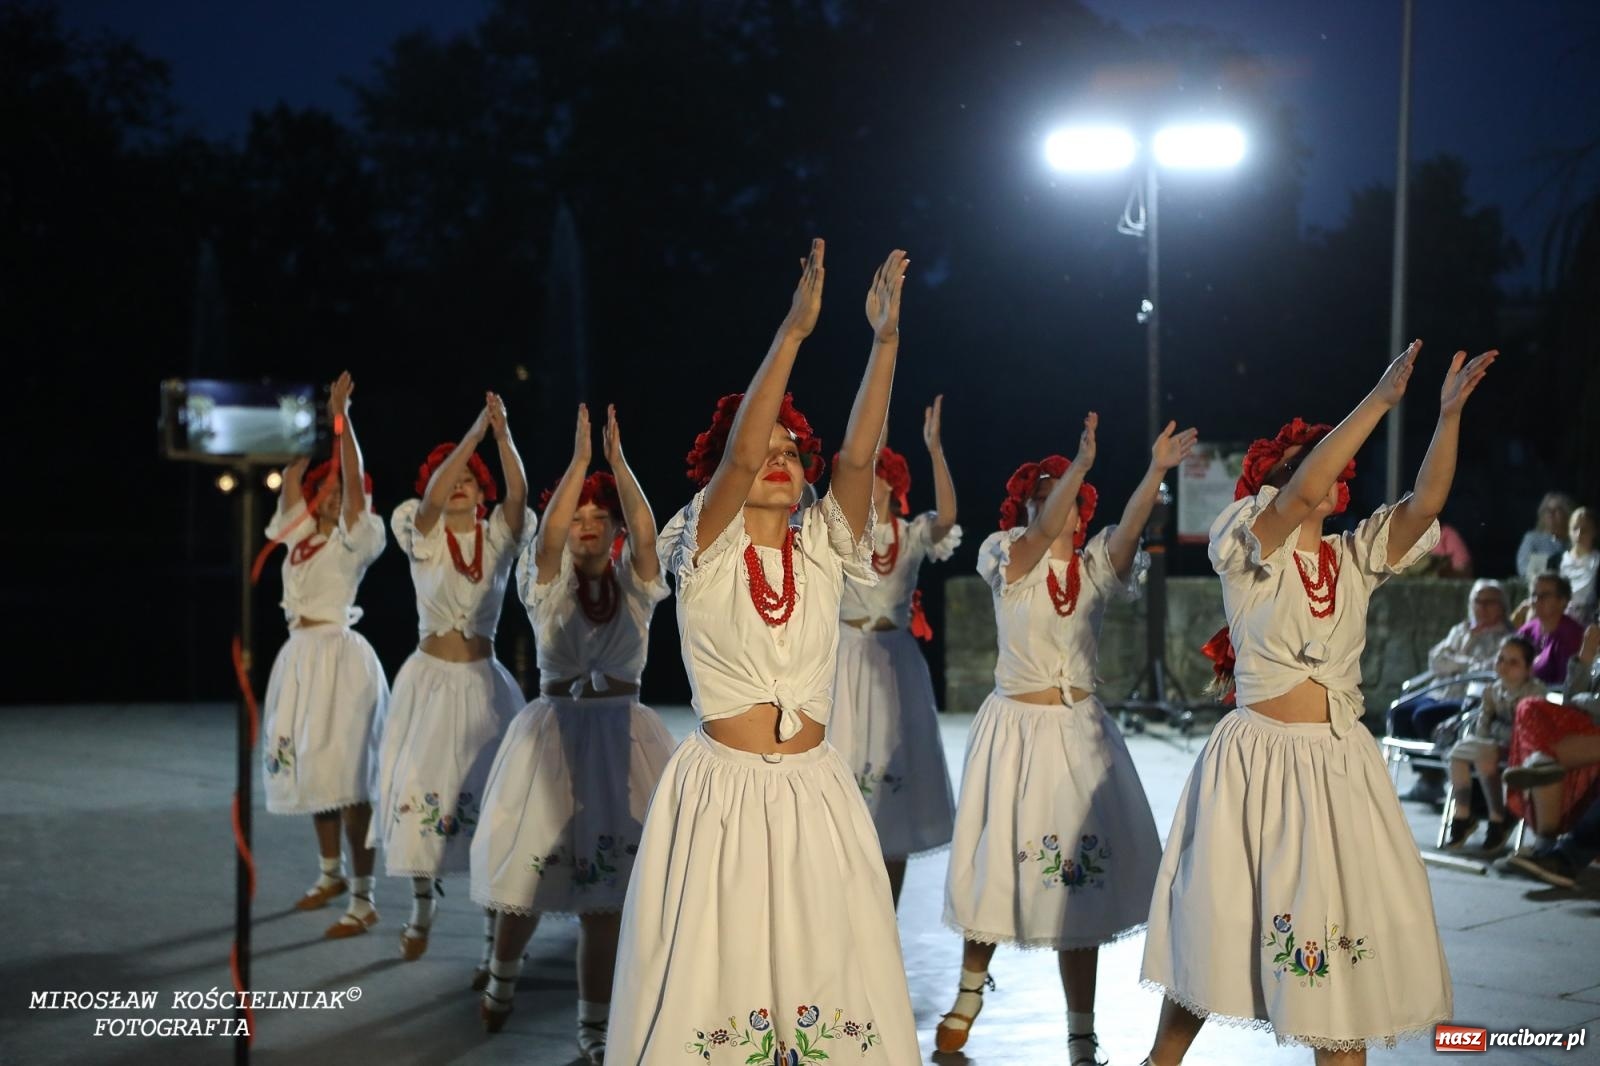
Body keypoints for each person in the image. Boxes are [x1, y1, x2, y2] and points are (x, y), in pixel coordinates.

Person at [1141, 340, 1497, 1064]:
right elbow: (1302, 495)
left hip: (1338, 770)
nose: (1324, 475)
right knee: (1228, 924)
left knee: (1338, 949)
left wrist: (1446, 415)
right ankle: (1159, 1062)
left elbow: (1427, 501)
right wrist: (1378, 398)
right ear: (1272, 483)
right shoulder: (1245, 541)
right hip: (1258, 768)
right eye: (1305, 461)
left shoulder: (1354, 554)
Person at [607, 242, 920, 1064]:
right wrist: (794, 331)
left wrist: (883, 343)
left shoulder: (823, 546)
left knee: (824, 981)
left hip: (815, 794)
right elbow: (740, 455)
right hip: (723, 799)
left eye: (791, 453)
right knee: (726, 983)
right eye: (766, 452)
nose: (779, 462)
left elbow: (859, 456)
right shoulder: (702, 545)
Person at [937, 414, 1196, 1066]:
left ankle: (1082, 1031)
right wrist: (1076, 466)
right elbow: (1042, 530)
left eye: (1072, 497)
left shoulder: (1094, 565)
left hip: (1080, 735)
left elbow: (1131, 530)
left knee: (1078, 885)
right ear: (1027, 504)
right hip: (1016, 737)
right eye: (1046, 492)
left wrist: (1156, 470)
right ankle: (970, 992)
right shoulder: (1006, 553)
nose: (1062, 505)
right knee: (1001, 868)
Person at [469, 404, 675, 1060]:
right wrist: (581, 465)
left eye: (597, 517)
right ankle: (502, 979)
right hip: (554, 737)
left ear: (612, 530)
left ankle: (594, 1034)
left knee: (604, 899)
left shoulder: (636, 587)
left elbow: (647, 530)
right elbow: (548, 536)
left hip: (622, 741)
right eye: (579, 516)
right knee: (529, 882)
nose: (585, 525)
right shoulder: (549, 587)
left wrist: (618, 466)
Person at [374, 393, 533, 964]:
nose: (460, 483)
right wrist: (471, 434)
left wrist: (504, 434)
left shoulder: (496, 538)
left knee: (491, 803)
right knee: (421, 790)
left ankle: (495, 940)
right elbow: (433, 494)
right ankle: (422, 905)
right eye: (452, 477)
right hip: (430, 683)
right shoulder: (422, 531)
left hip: (484, 687)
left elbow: (518, 495)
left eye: (471, 476)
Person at [261, 372, 390, 938]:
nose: (336, 499)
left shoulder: (354, 539)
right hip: (298, 659)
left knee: (350, 778)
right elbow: (290, 472)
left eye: (343, 497)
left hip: (341, 660)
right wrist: (311, 420)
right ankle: (329, 874)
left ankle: (364, 899)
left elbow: (356, 483)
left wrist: (344, 418)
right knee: (315, 769)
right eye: (328, 492)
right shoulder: (297, 533)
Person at [829, 396, 961, 905]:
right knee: (847, 777)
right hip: (846, 659)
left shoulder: (909, 534)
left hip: (894, 663)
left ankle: (887, 912)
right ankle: (843, 908)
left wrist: (933, 449)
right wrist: (878, 417)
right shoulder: (844, 532)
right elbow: (857, 456)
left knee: (894, 788)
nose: (874, 479)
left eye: (884, 473)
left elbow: (949, 515)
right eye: (871, 472)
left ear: (895, 483)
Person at [1442, 635, 1543, 851]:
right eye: (1501, 659)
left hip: (1522, 748)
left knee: (1480, 752)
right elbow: (1483, 726)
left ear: (1528, 669)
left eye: (1513, 662)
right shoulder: (1492, 691)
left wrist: (1497, 730)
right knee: (1460, 754)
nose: (1504, 666)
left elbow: (1527, 729)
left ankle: (1497, 818)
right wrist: (1494, 731)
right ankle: (1464, 813)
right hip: (1492, 747)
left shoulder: (1534, 692)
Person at [1503, 622, 1600, 839]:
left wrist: (1582, 702)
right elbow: (1569, 697)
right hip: (1582, 723)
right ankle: (1539, 760)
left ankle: (1544, 844)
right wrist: (1585, 656)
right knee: (1528, 706)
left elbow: (1577, 701)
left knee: (1545, 762)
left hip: (1592, 726)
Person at [1513, 573, 1584, 685]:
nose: (1537, 600)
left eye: (1545, 595)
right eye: (1534, 595)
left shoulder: (1572, 635)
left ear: (1563, 601)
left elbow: (1566, 684)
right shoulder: (1527, 630)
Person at [1515, 492, 1573, 582]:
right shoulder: (1532, 539)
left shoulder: (1573, 541)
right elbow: (1524, 569)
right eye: (1547, 510)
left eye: (1557, 510)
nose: (1551, 514)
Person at [1560, 506, 1597, 624]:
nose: (1579, 534)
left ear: (1594, 532)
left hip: (1589, 619)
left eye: (1584, 529)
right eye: (1575, 528)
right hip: (1558, 615)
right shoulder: (1555, 560)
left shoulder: (1597, 561)